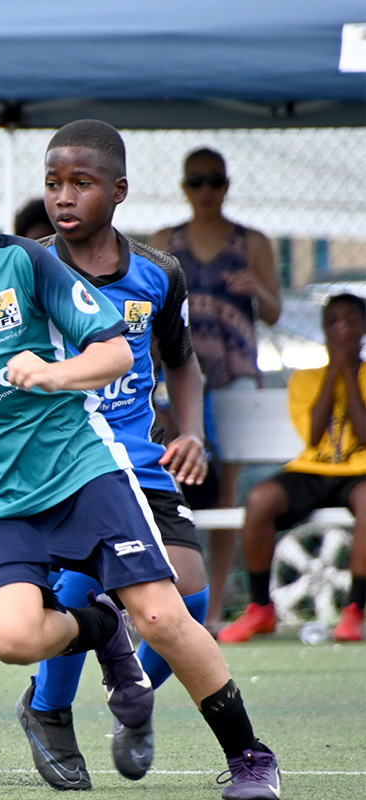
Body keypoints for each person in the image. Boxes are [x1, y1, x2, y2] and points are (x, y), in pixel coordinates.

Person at [0, 130, 280, 800]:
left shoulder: (27, 264)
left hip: (82, 471)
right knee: (9, 637)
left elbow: (116, 353)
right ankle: (101, 628)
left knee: (165, 613)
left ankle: (250, 754)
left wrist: (52, 373)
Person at [21, 120, 211, 790]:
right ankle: (49, 708)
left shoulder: (159, 273)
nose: (63, 196)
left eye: (81, 182)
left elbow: (183, 362)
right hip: (64, 463)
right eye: (53, 183)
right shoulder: (24, 268)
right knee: (83, 583)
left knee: (192, 594)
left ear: (119, 190)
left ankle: (133, 696)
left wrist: (192, 432)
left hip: (139, 461)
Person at [150, 148, 282, 634]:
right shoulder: (164, 241)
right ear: (184, 187)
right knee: (166, 481)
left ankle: (214, 606)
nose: (206, 191)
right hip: (177, 375)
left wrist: (255, 288)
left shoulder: (252, 241)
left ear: (227, 185)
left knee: (226, 493)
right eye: (197, 182)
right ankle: (171, 595)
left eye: (215, 181)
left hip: (233, 372)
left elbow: (274, 312)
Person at [224, 293, 365, 643]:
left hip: (359, 471)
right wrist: (336, 370)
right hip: (313, 469)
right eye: (333, 322)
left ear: (363, 329)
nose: (341, 329)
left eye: (350, 322)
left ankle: (354, 610)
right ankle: (260, 608)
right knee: (259, 499)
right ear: (324, 330)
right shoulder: (306, 379)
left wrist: (351, 371)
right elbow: (314, 436)